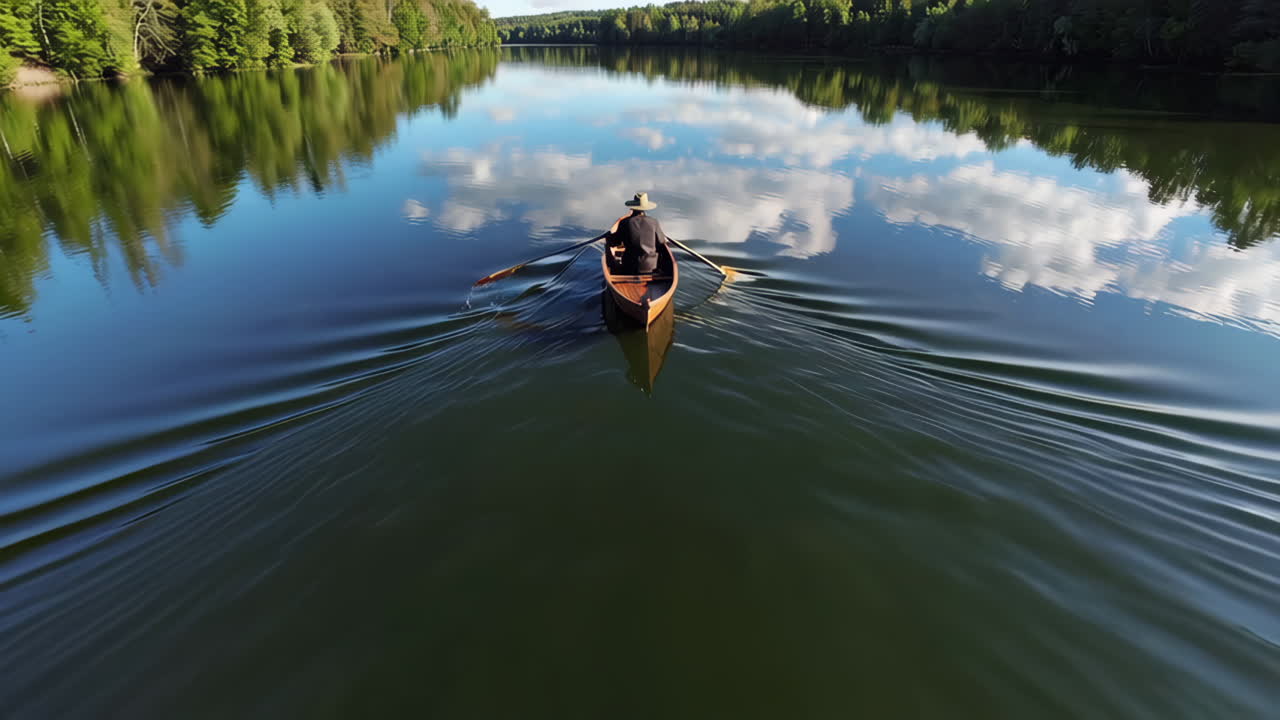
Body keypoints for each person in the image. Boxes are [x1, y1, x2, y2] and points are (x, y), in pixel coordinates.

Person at [607, 192, 669, 274]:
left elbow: (615, 242)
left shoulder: (625, 222)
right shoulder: (654, 222)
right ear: (645, 208)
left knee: (611, 254)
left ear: (632, 207)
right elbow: (661, 242)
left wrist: (608, 237)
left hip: (630, 266)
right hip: (651, 267)